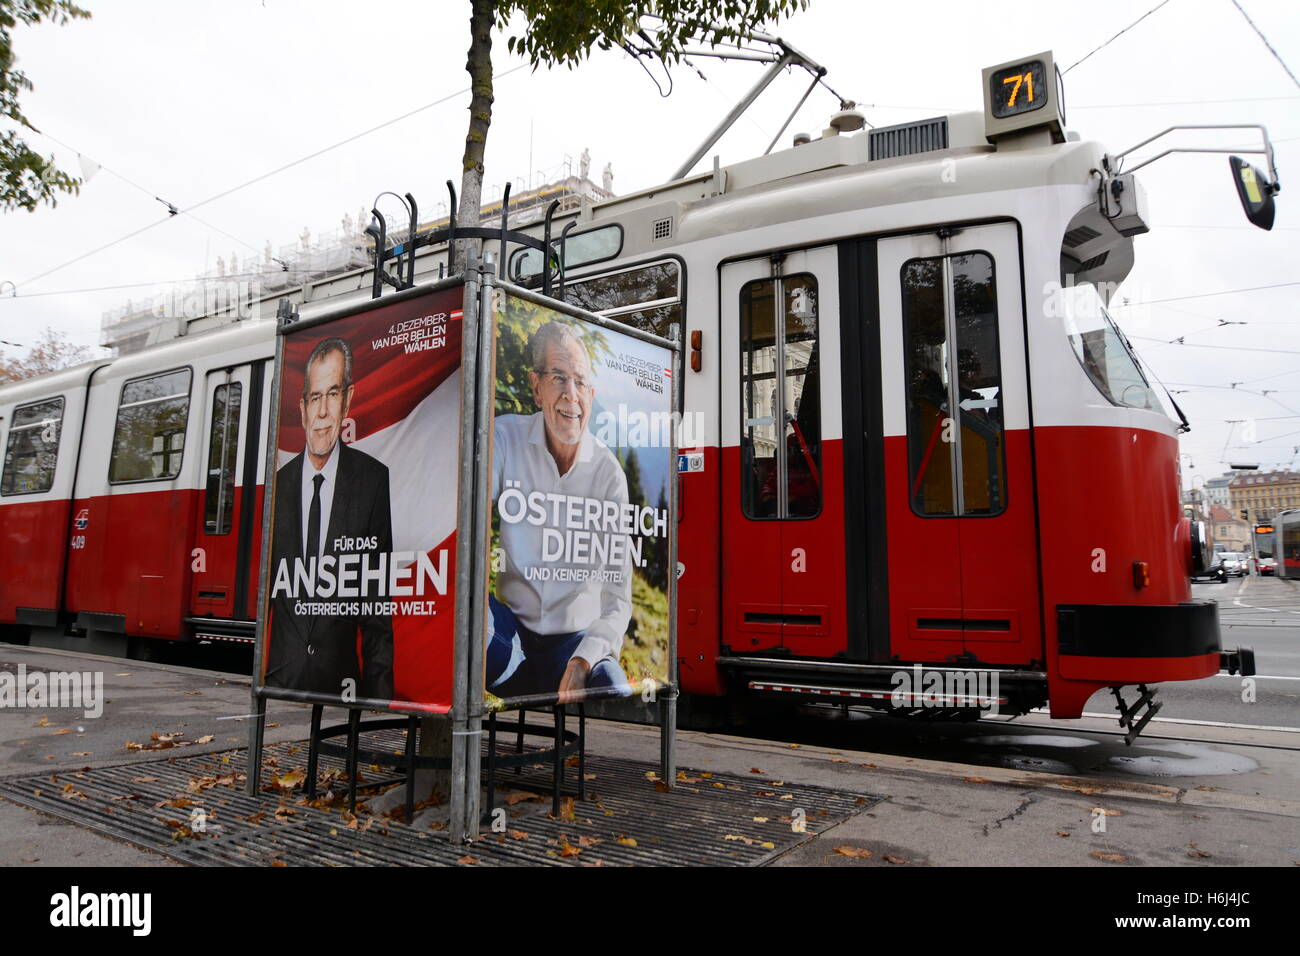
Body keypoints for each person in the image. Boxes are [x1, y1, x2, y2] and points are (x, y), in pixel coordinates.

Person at [488, 320, 633, 702]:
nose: (572, 395)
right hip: (510, 630)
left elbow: (618, 598)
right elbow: (466, 516)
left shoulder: (607, 473)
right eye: (558, 378)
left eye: (580, 382)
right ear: (536, 387)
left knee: (614, 688)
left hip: (573, 640)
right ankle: (511, 674)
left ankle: (537, 678)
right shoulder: (505, 436)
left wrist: (583, 660)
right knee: (473, 624)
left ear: (592, 393)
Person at [266, 336, 394, 700]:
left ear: (348, 400)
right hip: (281, 682)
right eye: (315, 397)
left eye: (333, 394)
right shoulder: (278, 485)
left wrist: (378, 701)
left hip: (342, 686)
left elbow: (376, 604)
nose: (323, 412)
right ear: (303, 407)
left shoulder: (373, 480)